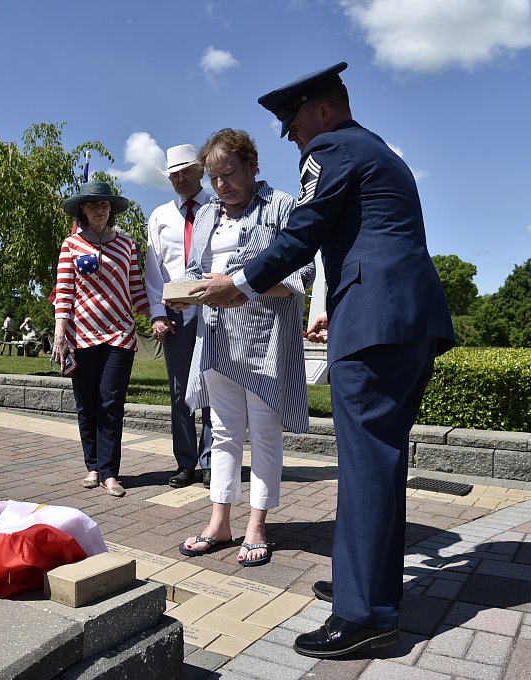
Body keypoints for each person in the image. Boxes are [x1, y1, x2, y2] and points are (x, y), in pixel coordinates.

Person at [191, 63, 455, 657]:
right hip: (402, 320)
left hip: (376, 325)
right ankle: (371, 590)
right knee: (381, 463)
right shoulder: (377, 149)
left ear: (323, 112)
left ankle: (363, 615)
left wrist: (239, 283)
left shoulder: (334, 146)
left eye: (294, 124)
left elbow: (303, 230)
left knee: (364, 466)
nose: (291, 137)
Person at [170, 129, 313, 568]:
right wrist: (190, 291)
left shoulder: (282, 206)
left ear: (253, 165)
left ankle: (257, 526)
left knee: (265, 434)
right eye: (213, 178)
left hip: (264, 337)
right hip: (217, 335)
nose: (220, 186)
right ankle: (220, 522)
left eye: (228, 174)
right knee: (225, 432)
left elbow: (300, 276)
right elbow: (201, 270)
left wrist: (236, 286)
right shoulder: (210, 213)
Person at [52, 180, 150, 499]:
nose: (99, 209)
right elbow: (64, 292)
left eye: (104, 204)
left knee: (111, 402)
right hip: (80, 336)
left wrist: (159, 316)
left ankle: (109, 473)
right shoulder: (71, 246)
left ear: (110, 209)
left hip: (120, 334)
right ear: (83, 209)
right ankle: (92, 466)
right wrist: (59, 336)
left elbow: (136, 288)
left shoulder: (127, 244)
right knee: (86, 404)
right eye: (93, 204)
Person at [145, 144, 213, 489]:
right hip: (175, 315)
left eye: (187, 171)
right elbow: (153, 271)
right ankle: (186, 463)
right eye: (174, 175)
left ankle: (213, 463)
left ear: (201, 171)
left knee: (216, 387)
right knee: (180, 391)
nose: (181, 179)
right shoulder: (159, 217)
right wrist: (157, 314)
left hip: (216, 308)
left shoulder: (220, 209)